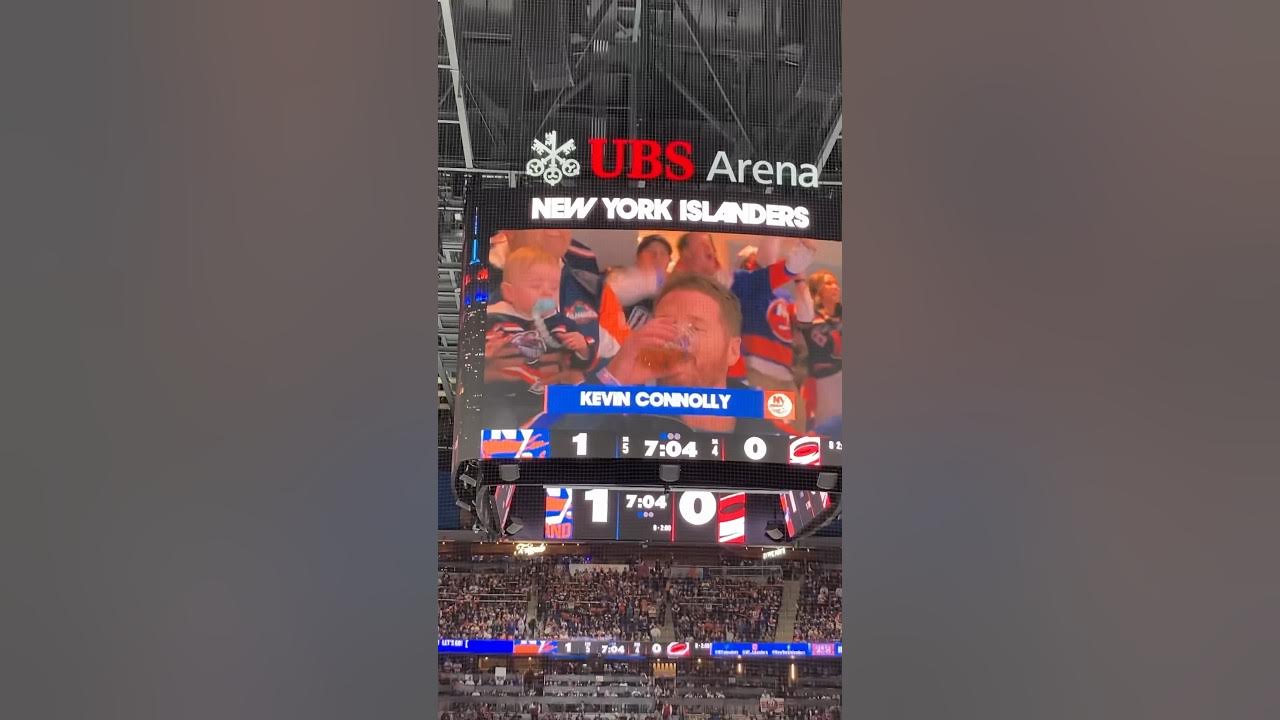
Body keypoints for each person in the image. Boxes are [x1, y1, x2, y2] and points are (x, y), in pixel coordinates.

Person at [537, 274, 795, 437]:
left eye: (695, 327)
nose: (675, 337)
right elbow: (531, 448)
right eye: (664, 324)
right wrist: (614, 379)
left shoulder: (761, 415)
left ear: (732, 350)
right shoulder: (620, 399)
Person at [671, 232, 816, 426]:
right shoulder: (670, 291)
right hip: (695, 385)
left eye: (712, 249)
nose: (711, 251)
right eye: (704, 247)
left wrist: (798, 266)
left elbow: (771, 278)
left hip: (770, 379)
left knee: (787, 438)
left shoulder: (743, 285)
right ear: (685, 255)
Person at [484, 246, 592, 426]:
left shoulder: (559, 324)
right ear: (510, 292)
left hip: (546, 399)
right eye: (536, 286)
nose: (547, 292)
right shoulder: (495, 320)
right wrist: (485, 355)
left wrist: (582, 348)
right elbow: (476, 364)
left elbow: (578, 363)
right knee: (499, 419)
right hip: (504, 398)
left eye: (553, 287)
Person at [794, 270, 842, 437]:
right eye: (828, 283)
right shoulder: (808, 317)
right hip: (820, 383)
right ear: (817, 289)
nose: (835, 287)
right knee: (823, 435)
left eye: (836, 282)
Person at [608, 234, 673, 330]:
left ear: (669, 260)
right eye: (651, 252)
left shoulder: (673, 287)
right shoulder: (619, 278)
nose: (657, 257)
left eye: (663, 253)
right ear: (638, 257)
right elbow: (612, 292)